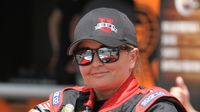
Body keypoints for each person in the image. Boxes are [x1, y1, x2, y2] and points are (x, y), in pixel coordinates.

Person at [29, 8, 187, 112]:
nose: (96, 62)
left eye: (107, 53)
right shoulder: (66, 102)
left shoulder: (155, 107)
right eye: (85, 54)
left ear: (133, 57)